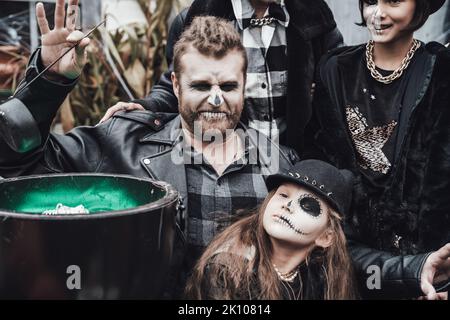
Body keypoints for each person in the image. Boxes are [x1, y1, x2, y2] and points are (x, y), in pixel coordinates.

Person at [0, 1, 298, 297]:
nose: (216, 100)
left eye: (229, 87)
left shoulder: (280, 167)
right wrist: (49, 81)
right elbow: (20, 165)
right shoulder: (122, 145)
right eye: (201, 86)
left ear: (244, 85)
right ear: (176, 86)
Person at [305, 0, 450, 299]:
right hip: (350, 253)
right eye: (370, 1)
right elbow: (323, 162)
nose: (378, 13)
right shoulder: (335, 70)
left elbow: (442, 174)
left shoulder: (439, 69)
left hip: (428, 258)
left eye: (394, 1)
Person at [99, 0, 344, 154]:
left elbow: (339, 84)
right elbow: (179, 86)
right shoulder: (197, 16)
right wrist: (144, 107)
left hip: (298, 165)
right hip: (229, 163)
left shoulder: (315, 16)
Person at [185, 159, 358, 300]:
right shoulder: (228, 270)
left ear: (326, 237)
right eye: (283, 195)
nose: (288, 205)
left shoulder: (322, 276)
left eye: (308, 205)